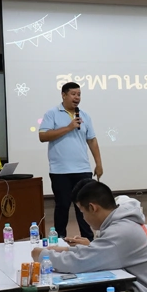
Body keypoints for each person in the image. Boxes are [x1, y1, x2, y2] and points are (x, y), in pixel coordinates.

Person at [32, 181, 147, 292]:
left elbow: (81, 262)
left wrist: (42, 256)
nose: (83, 218)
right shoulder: (120, 223)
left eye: (82, 212)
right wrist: (67, 249)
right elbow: (96, 252)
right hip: (126, 288)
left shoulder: (120, 231)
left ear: (93, 208)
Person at [38, 81, 103, 241]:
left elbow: (92, 140)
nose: (77, 97)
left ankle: (88, 239)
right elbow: (43, 136)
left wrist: (99, 163)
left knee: (85, 206)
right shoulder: (52, 113)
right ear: (63, 95)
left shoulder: (85, 115)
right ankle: (59, 238)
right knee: (62, 206)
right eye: (73, 94)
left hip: (83, 169)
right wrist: (68, 127)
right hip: (60, 171)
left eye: (79, 94)